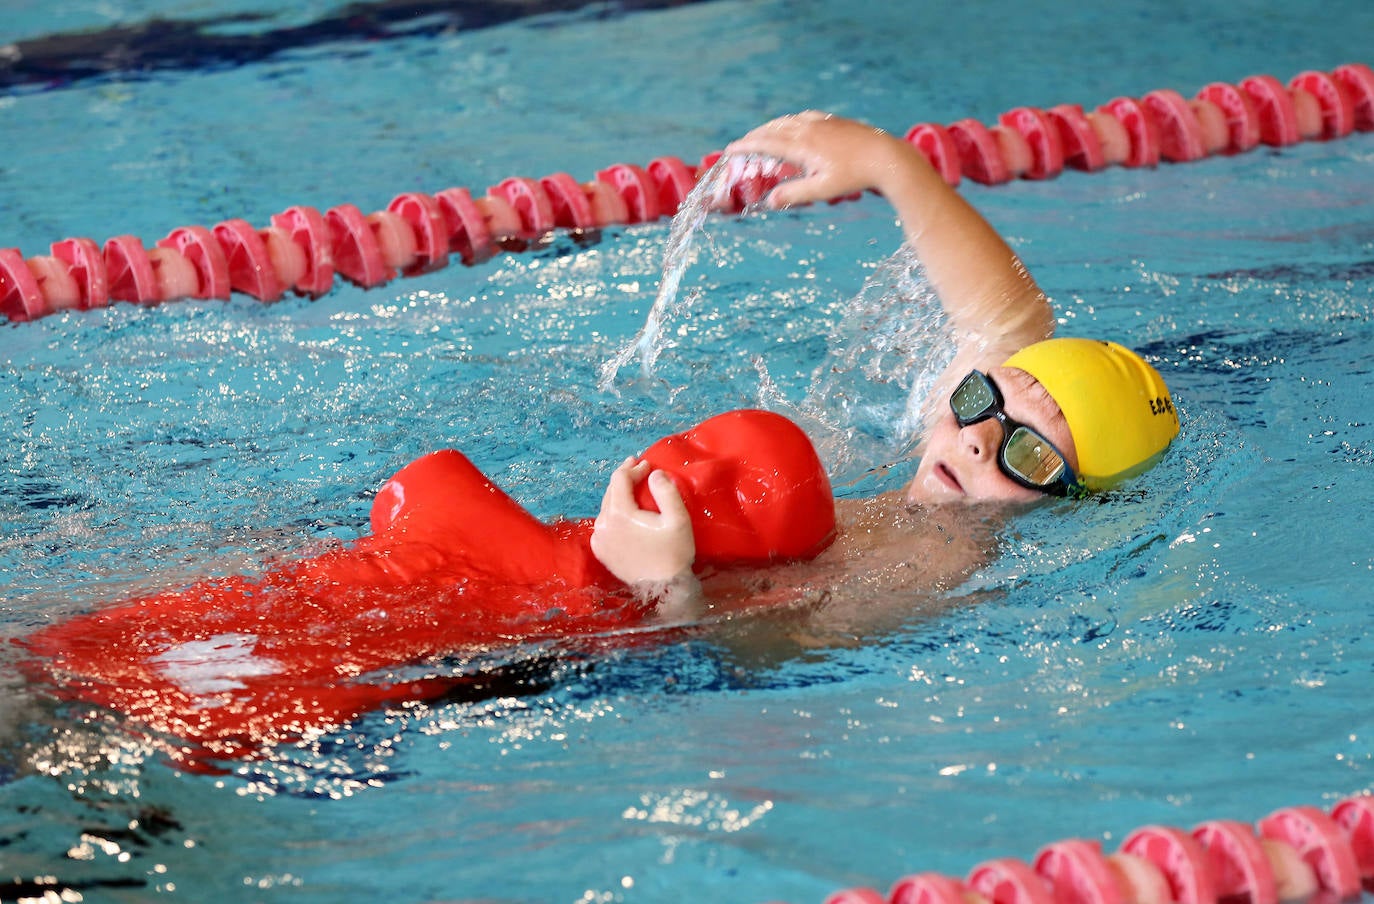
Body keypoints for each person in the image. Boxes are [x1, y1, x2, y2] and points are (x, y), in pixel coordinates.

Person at [589, 111, 1180, 612]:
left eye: (1027, 452)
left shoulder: (936, 573)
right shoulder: (952, 455)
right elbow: (1008, 319)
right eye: (981, 401)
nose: (976, 440)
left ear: (1076, 505)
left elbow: (762, 656)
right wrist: (891, 164)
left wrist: (660, 584)